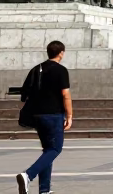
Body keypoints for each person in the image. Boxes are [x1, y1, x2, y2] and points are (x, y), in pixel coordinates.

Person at [15, 41, 72, 194]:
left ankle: (44, 189)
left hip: (37, 115)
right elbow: (65, 95)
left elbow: (24, 93)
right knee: (55, 149)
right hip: (53, 114)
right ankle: (28, 175)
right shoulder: (61, 70)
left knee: (48, 150)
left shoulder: (36, 69)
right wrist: (70, 115)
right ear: (61, 53)